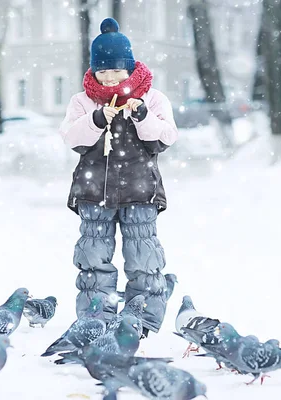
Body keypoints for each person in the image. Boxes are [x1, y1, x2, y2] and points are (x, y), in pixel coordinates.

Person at [59, 17, 179, 338]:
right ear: (94, 71)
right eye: (103, 71)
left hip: (140, 193)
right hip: (93, 193)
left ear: (129, 67)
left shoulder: (152, 98)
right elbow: (73, 139)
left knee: (143, 257)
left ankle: (142, 321)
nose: (110, 78)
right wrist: (96, 119)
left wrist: (142, 116)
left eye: (116, 71)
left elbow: (164, 139)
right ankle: (95, 318)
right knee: (93, 258)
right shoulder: (82, 101)